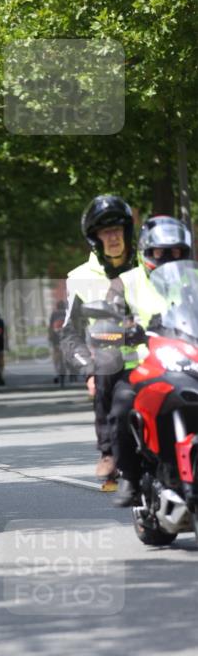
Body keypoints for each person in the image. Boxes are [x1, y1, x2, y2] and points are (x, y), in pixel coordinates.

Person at [109, 215, 193, 506]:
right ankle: (129, 475)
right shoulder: (126, 283)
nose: (169, 257)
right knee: (122, 406)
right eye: (160, 252)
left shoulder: (193, 279)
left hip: (188, 360)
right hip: (143, 366)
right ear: (146, 252)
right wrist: (124, 330)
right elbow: (109, 319)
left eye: (177, 251)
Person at [60, 195, 137, 484]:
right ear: (95, 238)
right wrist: (88, 369)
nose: (113, 237)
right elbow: (69, 333)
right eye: (106, 232)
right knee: (105, 367)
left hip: (155, 356)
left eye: (117, 229)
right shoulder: (78, 277)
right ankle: (109, 452)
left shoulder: (148, 267)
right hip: (111, 364)